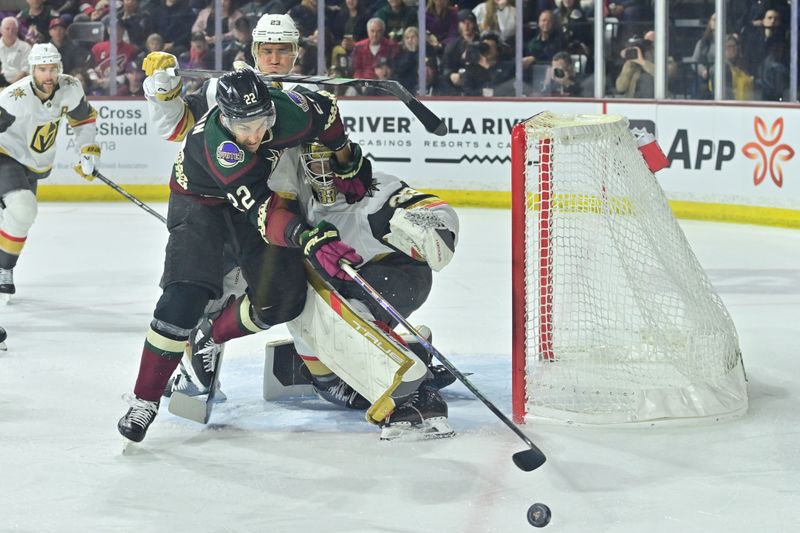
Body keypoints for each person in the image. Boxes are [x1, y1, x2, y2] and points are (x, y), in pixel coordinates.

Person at [117, 68, 374, 444]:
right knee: (184, 296)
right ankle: (144, 399)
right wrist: (307, 236)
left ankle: (211, 334)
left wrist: (344, 157)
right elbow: (265, 213)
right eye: (244, 128)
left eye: (262, 122)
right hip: (199, 204)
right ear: (224, 117)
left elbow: (328, 112)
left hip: (251, 200)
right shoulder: (220, 146)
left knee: (283, 300)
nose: (254, 135)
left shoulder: (291, 111)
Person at [271, 140, 460, 439]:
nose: (326, 174)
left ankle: (408, 387)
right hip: (335, 299)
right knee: (296, 286)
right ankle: (368, 358)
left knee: (340, 298)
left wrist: (432, 225)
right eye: (318, 165)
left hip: (388, 279)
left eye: (333, 163)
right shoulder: (288, 199)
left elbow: (430, 208)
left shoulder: (372, 191)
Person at [0, 43, 100, 299]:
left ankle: (4, 267)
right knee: (23, 208)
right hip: (6, 154)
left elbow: (83, 120)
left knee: (23, 217)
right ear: (32, 70)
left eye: (52, 69)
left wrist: (87, 150)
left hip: (35, 162)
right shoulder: (13, 99)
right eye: (42, 69)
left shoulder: (70, 88)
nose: (48, 75)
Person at [0, 18, 32, 88]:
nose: (10, 32)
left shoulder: (25, 47)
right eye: (7, 29)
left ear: (17, 30)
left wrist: (10, 87)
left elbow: (26, 69)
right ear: (1, 30)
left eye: (13, 29)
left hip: (20, 84)